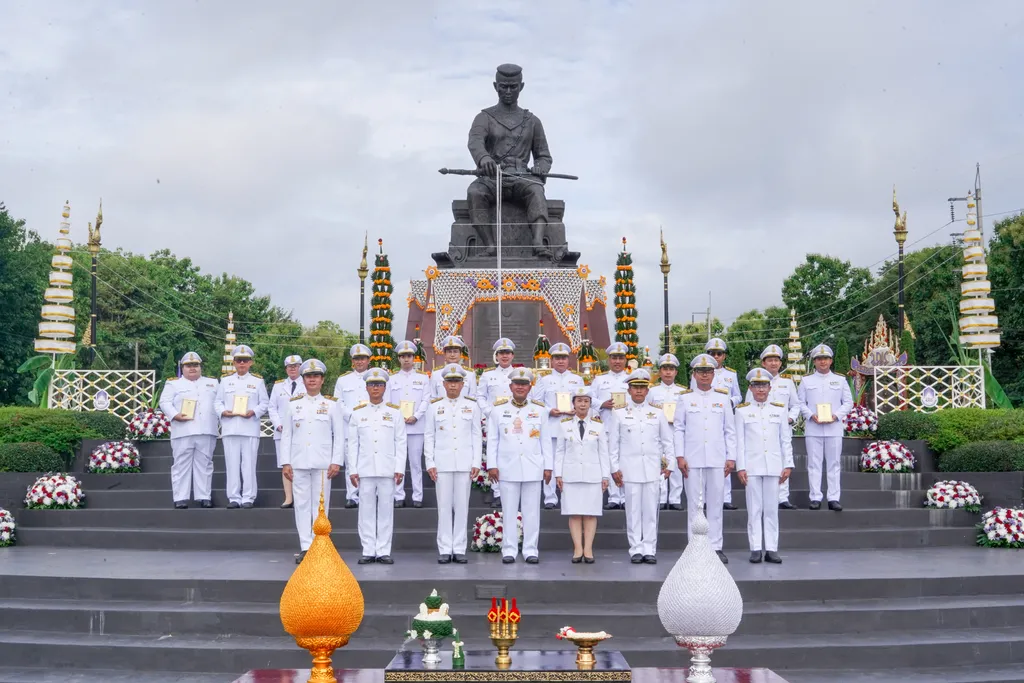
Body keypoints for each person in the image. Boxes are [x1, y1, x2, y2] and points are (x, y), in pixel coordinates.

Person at [466, 63, 554, 257]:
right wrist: (484, 158)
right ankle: (489, 245)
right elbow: (475, 142)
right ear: (495, 86)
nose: (507, 91)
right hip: (492, 178)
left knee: (536, 190)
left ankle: (538, 243)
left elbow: (544, 155)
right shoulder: (484, 117)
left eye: (513, 86)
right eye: (503, 86)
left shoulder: (532, 121)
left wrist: (540, 167)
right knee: (474, 192)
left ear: (520, 87)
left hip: (522, 177)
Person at [280, 359, 345, 564]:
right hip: (299, 462)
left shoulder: (331, 404)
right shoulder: (294, 405)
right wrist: (286, 462)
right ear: (303, 379)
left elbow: (340, 435)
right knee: (301, 505)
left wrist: (336, 461)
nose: (312, 380)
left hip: (323, 463)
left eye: (316, 376)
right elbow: (287, 436)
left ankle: (321, 544)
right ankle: (306, 546)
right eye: (308, 376)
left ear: (322, 379)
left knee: (321, 505)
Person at [676, 353, 737, 564]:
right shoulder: (684, 398)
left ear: (713, 375)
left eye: (708, 372)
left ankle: (716, 546)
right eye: (701, 372)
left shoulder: (722, 398)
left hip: (717, 458)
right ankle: (694, 546)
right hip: (692, 459)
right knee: (694, 504)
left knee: (716, 503)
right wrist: (679, 455)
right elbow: (679, 429)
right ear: (694, 374)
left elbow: (730, 430)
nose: (705, 376)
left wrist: (731, 457)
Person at [608, 369, 675, 565]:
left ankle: (649, 549)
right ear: (628, 390)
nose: (639, 391)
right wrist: (614, 469)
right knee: (633, 512)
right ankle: (635, 548)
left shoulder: (657, 412)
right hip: (629, 469)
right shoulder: (619, 413)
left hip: (652, 468)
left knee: (651, 512)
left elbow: (667, 441)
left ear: (647, 391)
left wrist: (669, 463)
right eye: (635, 388)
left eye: (642, 388)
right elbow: (613, 444)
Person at [486, 367, 550, 564]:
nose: (520, 388)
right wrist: (491, 465)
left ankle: (531, 549)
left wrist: (548, 467)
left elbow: (545, 441)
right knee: (510, 511)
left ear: (530, 387)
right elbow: (493, 440)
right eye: (517, 384)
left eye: (524, 384)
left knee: (532, 512)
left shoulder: (540, 410)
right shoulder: (498, 410)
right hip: (507, 467)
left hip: (533, 466)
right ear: (510, 386)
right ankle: (509, 549)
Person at [424, 364, 483, 564]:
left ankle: (458, 548)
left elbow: (477, 435)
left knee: (461, 507)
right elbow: (429, 436)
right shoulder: (434, 406)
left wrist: (476, 461)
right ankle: (444, 548)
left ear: (462, 384)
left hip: (465, 462)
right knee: (444, 506)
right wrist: (430, 462)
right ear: (443, 384)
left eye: (457, 382)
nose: (453, 386)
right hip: (442, 463)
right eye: (449, 382)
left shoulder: (473, 405)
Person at [347, 367, 407, 564]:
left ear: (384, 387)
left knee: (386, 511)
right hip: (364, 469)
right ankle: (368, 549)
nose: (375, 388)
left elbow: (401, 442)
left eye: (379, 385)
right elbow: (352, 444)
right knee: (365, 512)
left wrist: (399, 468)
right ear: (366, 387)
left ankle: (383, 550)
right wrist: (353, 470)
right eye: (372, 385)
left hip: (387, 468)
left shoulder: (394, 413)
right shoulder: (357, 414)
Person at [736, 368, 794, 564]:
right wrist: (740, 467)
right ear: (750, 388)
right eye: (756, 386)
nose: (760, 390)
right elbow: (740, 442)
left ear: (770, 387)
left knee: (771, 510)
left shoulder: (779, 409)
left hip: (774, 465)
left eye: (764, 386)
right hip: (752, 466)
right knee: (754, 509)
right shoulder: (742, 411)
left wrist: (788, 464)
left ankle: (771, 548)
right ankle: (755, 548)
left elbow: (785, 439)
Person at [553, 387, 609, 563]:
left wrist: (605, 476)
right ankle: (578, 549)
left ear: (591, 404)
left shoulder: (598, 426)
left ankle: (588, 549)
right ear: (573, 404)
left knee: (591, 514)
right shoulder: (564, 425)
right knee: (575, 513)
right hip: (571, 475)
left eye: (586, 401)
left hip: (593, 475)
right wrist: (558, 475)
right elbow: (559, 452)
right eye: (579, 401)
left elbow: (604, 453)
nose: (583, 404)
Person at [158, 351, 219, 509]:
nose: (192, 368)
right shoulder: (174, 384)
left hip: (206, 430)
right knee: (180, 465)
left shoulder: (213, 383)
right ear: (182, 368)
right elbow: (164, 402)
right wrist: (175, 415)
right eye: (188, 365)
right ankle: (180, 497)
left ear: (200, 367)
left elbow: (220, 402)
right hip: (183, 429)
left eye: (195, 365)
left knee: (205, 464)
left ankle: (204, 496)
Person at [744, 345, 802, 510]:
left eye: (776, 360)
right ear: (763, 363)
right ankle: (765, 496)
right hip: (761, 429)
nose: (773, 363)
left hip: (782, 428)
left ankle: (783, 497)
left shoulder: (787, 382)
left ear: (780, 363)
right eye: (770, 360)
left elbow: (796, 404)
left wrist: (790, 418)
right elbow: (748, 405)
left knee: (784, 459)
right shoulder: (756, 382)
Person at [798, 344, 853, 512]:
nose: (823, 362)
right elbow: (800, 402)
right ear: (814, 362)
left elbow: (849, 402)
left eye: (826, 359)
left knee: (834, 463)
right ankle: (815, 497)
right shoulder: (806, 380)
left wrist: (836, 415)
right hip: (813, 427)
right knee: (814, 464)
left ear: (831, 361)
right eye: (819, 359)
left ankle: (833, 498)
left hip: (833, 427)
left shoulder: (840, 380)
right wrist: (810, 415)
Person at [215, 345, 269, 509]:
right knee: (231, 464)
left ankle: (248, 497)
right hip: (230, 427)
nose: (242, 364)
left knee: (249, 464)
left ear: (251, 362)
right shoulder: (225, 381)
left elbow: (265, 403)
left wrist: (254, 411)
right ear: (234, 362)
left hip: (249, 427)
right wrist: (224, 412)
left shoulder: (257, 381)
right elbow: (217, 402)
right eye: (239, 361)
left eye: (245, 361)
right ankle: (233, 497)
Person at [530, 342, 584, 510]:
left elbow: (584, 400)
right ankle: (550, 498)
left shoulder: (577, 379)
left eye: (564, 358)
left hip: (572, 426)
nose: (560, 361)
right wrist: (549, 410)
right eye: (557, 358)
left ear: (569, 360)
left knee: (571, 462)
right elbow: (536, 402)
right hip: (552, 426)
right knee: (551, 463)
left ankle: (570, 497)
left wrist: (577, 409)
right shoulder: (544, 379)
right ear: (552, 361)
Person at [690, 337, 741, 511]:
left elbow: (738, 395)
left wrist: (729, 403)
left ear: (724, 356)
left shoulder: (731, 374)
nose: (716, 356)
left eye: (719, 354)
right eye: (712, 353)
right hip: (704, 417)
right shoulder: (697, 373)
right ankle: (703, 499)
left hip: (722, 416)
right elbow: (692, 393)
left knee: (722, 460)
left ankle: (725, 497)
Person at [390, 341, 430, 509]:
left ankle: (417, 496)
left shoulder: (422, 378)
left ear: (414, 358)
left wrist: (416, 416)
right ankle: (398, 495)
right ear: (399, 358)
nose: (406, 359)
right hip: (397, 427)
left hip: (416, 426)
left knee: (415, 463)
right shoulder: (391, 379)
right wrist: (397, 419)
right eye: (403, 356)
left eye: (409, 356)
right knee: (398, 462)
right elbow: (389, 403)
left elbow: (426, 400)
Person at [591, 342, 631, 510]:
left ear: (625, 360)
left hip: (628, 427)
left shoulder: (632, 379)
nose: (617, 361)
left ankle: (626, 496)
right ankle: (614, 497)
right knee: (610, 461)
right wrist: (602, 404)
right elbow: (588, 398)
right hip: (607, 426)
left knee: (626, 461)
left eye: (621, 358)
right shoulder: (600, 380)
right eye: (614, 358)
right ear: (609, 360)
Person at [334, 343, 373, 508]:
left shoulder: (375, 378)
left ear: (368, 360)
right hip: (349, 426)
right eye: (356, 359)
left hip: (370, 426)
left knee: (368, 460)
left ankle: (368, 495)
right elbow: (338, 402)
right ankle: (352, 495)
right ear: (352, 361)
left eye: (362, 358)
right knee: (351, 462)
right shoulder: (343, 380)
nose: (359, 362)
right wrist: (351, 415)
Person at [648, 353, 687, 511]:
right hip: (658, 432)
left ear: (676, 372)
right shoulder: (652, 391)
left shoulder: (683, 392)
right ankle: (662, 497)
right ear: (660, 371)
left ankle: (675, 498)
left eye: (671, 369)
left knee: (677, 463)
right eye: (665, 368)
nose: (668, 372)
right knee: (661, 462)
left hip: (677, 431)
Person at [268, 354, 303, 508]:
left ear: (300, 367)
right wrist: (278, 424)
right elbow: (272, 408)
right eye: (290, 366)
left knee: (301, 464)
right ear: (286, 368)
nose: (293, 369)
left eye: (295, 366)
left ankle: (300, 497)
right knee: (285, 464)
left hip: (302, 431)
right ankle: (288, 497)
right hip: (282, 431)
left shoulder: (307, 383)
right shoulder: (278, 386)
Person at [428, 335, 478, 400]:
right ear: (444, 354)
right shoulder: (436, 373)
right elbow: (432, 397)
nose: (452, 355)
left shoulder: (469, 374)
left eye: (455, 351)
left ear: (460, 354)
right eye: (449, 352)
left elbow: (473, 397)